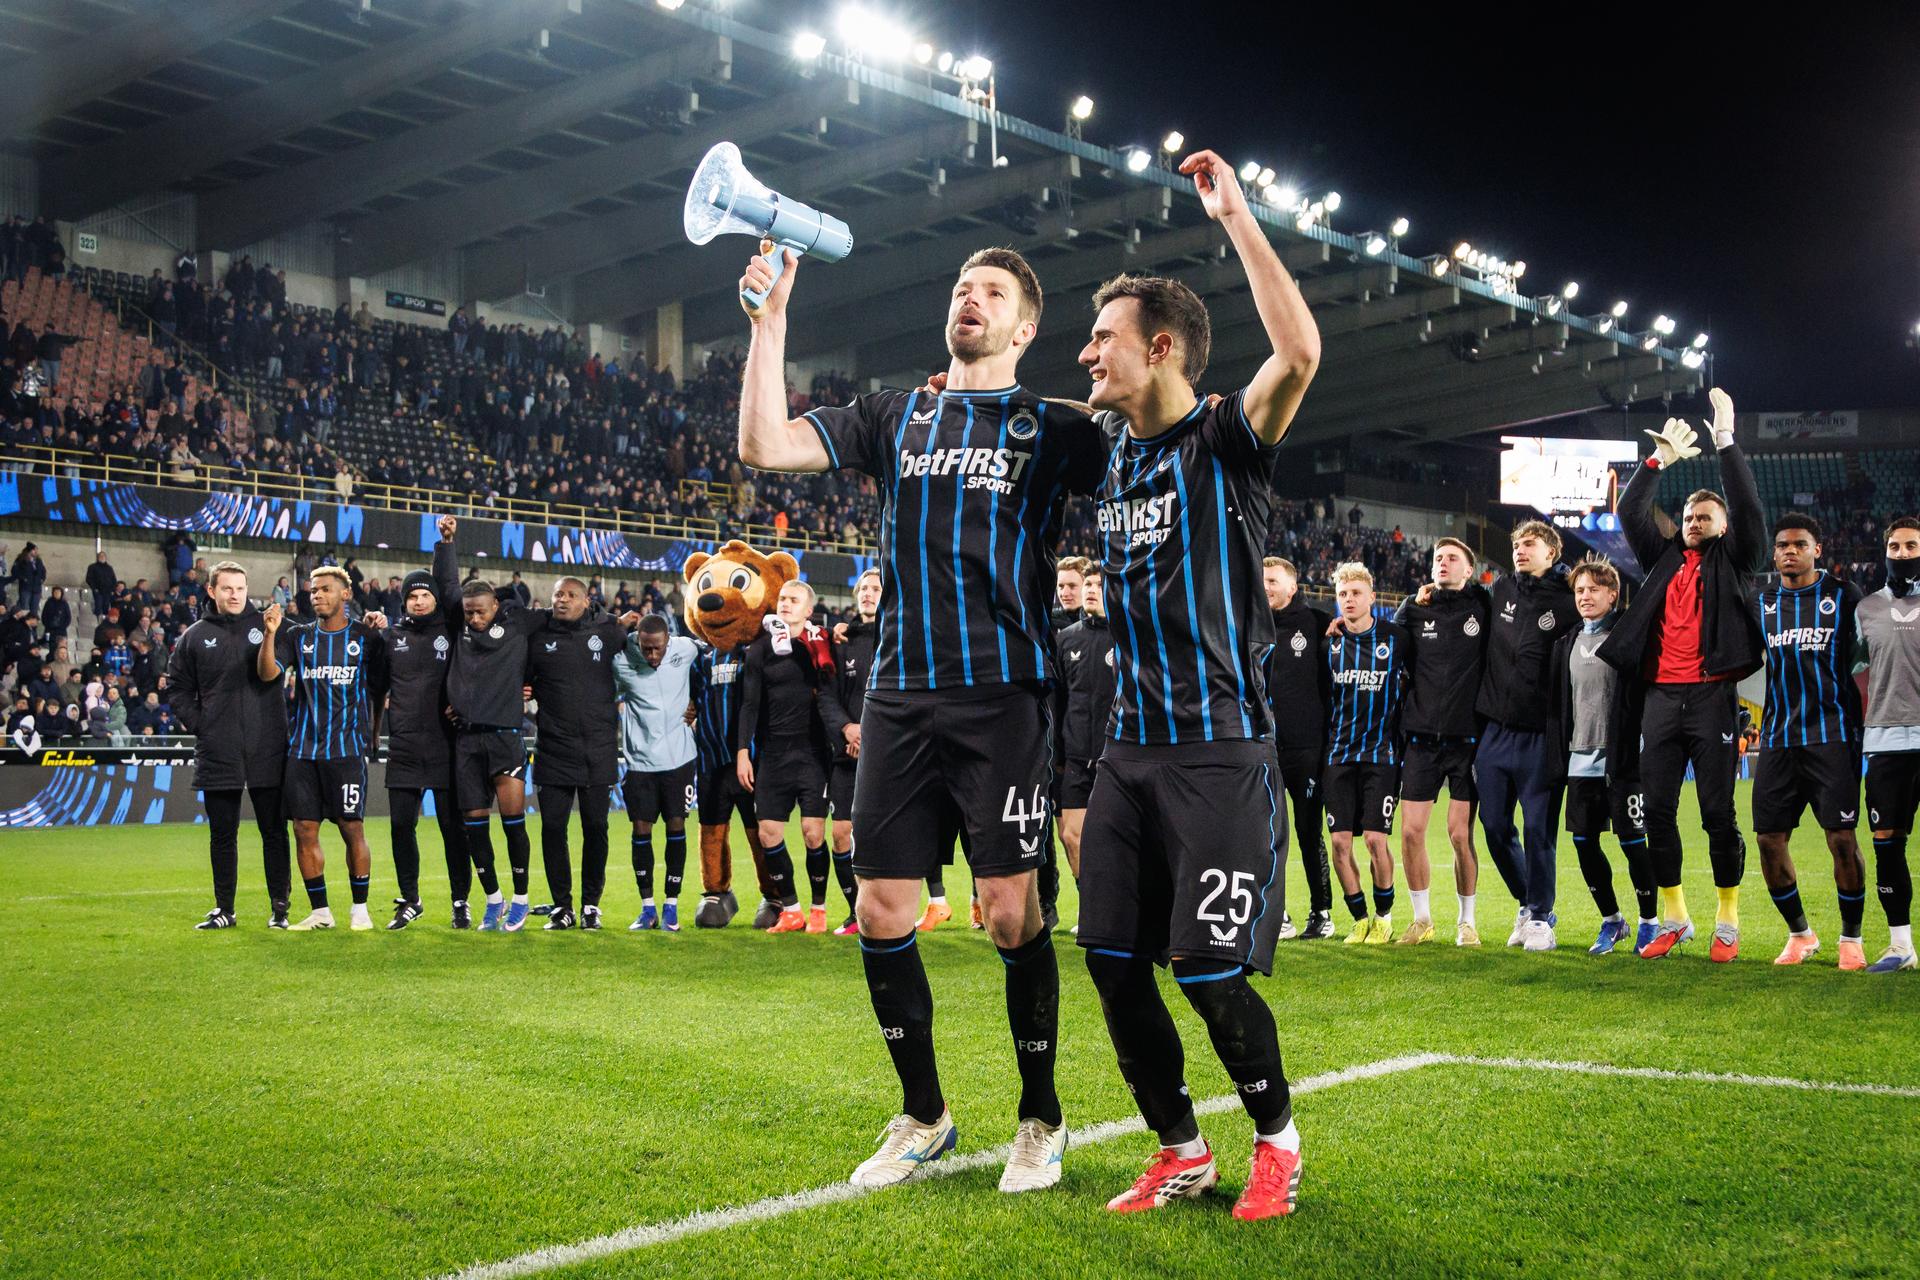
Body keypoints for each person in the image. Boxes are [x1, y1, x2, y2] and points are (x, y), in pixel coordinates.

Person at [738, 233, 1106, 1193]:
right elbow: (763, 445)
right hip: (899, 694)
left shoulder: (1054, 426)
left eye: (989, 292)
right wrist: (770, 318)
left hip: (1007, 700)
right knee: (879, 907)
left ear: (1026, 327)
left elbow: (1154, 461)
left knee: (1009, 913)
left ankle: (1040, 1117)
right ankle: (925, 1115)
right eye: (960, 286)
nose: (968, 299)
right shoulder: (895, 415)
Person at [1074, 148, 1319, 1221]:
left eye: (1104, 338)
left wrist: (1237, 221)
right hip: (1128, 751)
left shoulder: (1223, 438)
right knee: (1115, 963)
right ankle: (1180, 1145)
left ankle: (1278, 1140)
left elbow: (1299, 350)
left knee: (1209, 971)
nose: (1086, 353)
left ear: (1161, 346)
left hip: (1219, 746)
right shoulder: (1111, 453)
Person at [1600, 390, 1766, 962]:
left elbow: (1749, 511)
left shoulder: (1737, 560)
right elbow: (1628, 512)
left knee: (1718, 812)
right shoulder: (1664, 556)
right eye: (1690, 516)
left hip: (1713, 697)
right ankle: (1675, 917)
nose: (1694, 523)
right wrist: (1656, 464)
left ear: (1721, 525)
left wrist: (1726, 441)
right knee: (1661, 813)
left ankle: (1728, 917)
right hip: (1661, 700)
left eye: (1705, 517)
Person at [1753, 515, 1867, 968]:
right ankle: (1800, 934)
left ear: (1817, 550)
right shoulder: (1761, 602)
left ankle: (1851, 938)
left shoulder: (1844, 596)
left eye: (1800, 544)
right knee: (1768, 839)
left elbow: (1864, 660)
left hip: (1833, 736)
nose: (1789, 551)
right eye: (1782, 545)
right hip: (1778, 739)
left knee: (1841, 838)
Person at [258, 568, 388, 931]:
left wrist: (374, 732)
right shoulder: (298, 636)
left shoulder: (366, 637)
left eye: (326, 590)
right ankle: (320, 912)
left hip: (346, 752)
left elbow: (380, 689)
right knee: (304, 828)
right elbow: (268, 673)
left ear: (346, 594)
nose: (317, 595)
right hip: (302, 751)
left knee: (351, 827)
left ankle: (359, 909)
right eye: (313, 590)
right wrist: (270, 635)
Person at [168, 561, 292, 928]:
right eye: (227, 588)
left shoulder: (270, 626)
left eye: (240, 588)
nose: (235, 594)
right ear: (211, 591)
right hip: (218, 751)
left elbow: (317, 636)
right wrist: (202, 725)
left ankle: (280, 909)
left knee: (274, 831)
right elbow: (177, 689)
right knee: (223, 834)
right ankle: (225, 909)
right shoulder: (193, 636)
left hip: (268, 747)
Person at [1476, 521, 1579, 951]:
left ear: (1551, 552)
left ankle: (1540, 916)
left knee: (1539, 829)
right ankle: (1527, 902)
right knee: (1495, 825)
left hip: (1541, 734)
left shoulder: (1571, 599)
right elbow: (1456, 606)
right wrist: (1414, 601)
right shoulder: (1500, 590)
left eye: (1529, 544)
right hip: (1496, 732)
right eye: (1517, 543)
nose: (1519, 550)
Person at [441, 520, 547, 932]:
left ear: (496, 608)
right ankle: (493, 899)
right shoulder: (459, 627)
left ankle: (520, 899)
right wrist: (447, 545)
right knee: (474, 825)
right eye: (468, 613)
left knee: (513, 821)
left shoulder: (518, 624)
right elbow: (447, 587)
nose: (473, 618)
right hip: (466, 740)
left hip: (505, 737)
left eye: (479, 611)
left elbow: (562, 621)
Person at [380, 534, 490, 929]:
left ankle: (460, 900)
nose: (420, 601)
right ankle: (410, 899)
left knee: (452, 829)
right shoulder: (392, 638)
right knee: (399, 827)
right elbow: (376, 689)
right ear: (404, 600)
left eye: (425, 595)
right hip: (405, 747)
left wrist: (446, 546)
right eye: (412, 596)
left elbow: (449, 585)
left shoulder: (454, 629)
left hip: (447, 746)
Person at [1549, 557, 1653, 955]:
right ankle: (1613, 921)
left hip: (1622, 760)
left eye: (1594, 589)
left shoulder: (1627, 636)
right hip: (1579, 760)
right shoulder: (1567, 643)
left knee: (1632, 842)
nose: (1585, 596)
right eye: (1579, 590)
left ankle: (1649, 922)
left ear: (1613, 594)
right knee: (1583, 842)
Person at [1390, 538, 1490, 946]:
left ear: (1469, 569)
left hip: (1466, 740)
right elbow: (1385, 647)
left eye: (1452, 558)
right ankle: (1422, 919)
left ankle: (1467, 921)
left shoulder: (1482, 605)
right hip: (1420, 739)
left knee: (1459, 834)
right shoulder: (1415, 608)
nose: (1443, 563)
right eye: (1437, 559)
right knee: (1411, 832)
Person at [526, 576, 637, 930]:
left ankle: (591, 905)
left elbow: (649, 654)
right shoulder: (538, 638)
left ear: (586, 602)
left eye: (571, 595)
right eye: (558, 593)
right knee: (553, 828)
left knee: (596, 828)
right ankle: (563, 906)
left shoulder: (608, 634)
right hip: (553, 749)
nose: (562, 599)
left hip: (598, 748)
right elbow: (518, 677)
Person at [735, 579, 835, 933]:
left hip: (812, 753)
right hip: (774, 754)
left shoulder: (820, 647)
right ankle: (791, 909)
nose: (785, 604)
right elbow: (749, 704)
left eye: (794, 600)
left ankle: (819, 909)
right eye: (782, 598)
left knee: (813, 833)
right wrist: (743, 751)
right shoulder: (759, 650)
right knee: (768, 833)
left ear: (808, 610)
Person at [1323, 563, 1409, 944]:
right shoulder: (1329, 642)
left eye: (1356, 593)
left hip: (1381, 756)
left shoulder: (1396, 638)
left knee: (1375, 840)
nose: (1349, 600)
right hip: (1338, 756)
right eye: (1343, 594)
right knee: (1340, 843)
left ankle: (1384, 916)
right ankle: (1359, 918)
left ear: (1372, 597)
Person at [1857, 515, 1920, 972]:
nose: (1902, 554)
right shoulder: (1866, 609)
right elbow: (1852, 668)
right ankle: (1901, 947)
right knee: (1886, 841)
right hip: (1884, 742)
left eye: (1911, 546)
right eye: (1895, 547)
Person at [1263, 557, 1334, 939]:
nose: (1266, 587)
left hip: (1307, 748)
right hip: (1262, 749)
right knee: (1265, 834)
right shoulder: (1249, 625)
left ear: (1292, 586)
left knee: (1308, 832)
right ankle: (1279, 915)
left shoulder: (1319, 624)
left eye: (1273, 581)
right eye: (1262, 581)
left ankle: (1321, 913)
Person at [614, 614, 700, 932]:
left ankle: (671, 906)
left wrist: (697, 703)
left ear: (668, 640)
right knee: (641, 832)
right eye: (646, 648)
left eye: (658, 648)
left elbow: (718, 656)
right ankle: (647, 907)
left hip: (679, 760)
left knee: (676, 826)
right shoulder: (621, 662)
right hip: (639, 764)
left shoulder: (686, 649)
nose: (652, 656)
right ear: (638, 641)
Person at [820, 567, 881, 936]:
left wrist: (871, 735)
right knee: (841, 835)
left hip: (887, 753)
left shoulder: (898, 638)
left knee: (883, 835)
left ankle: (888, 911)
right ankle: (856, 911)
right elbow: (826, 696)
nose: (868, 594)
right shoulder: (841, 641)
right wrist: (847, 728)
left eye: (876, 588)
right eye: (864, 588)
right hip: (846, 752)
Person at [1055, 566, 1114, 921]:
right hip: (1076, 759)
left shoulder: (1126, 638)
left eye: (1097, 585)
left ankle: (1122, 910)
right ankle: (1093, 909)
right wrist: (1058, 755)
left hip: (1114, 758)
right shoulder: (1067, 639)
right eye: (1088, 584)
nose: (1091, 589)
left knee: (1116, 840)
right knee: (1071, 836)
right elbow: (1059, 701)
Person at [86, 552, 117, 619]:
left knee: (106, 608)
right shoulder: (92, 567)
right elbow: (89, 579)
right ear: (97, 557)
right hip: (98, 591)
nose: (102, 557)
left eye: (103, 556)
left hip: (108, 592)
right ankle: (96, 621)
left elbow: (114, 579)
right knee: (98, 607)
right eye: (100, 556)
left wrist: (112, 590)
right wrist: (94, 588)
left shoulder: (109, 568)